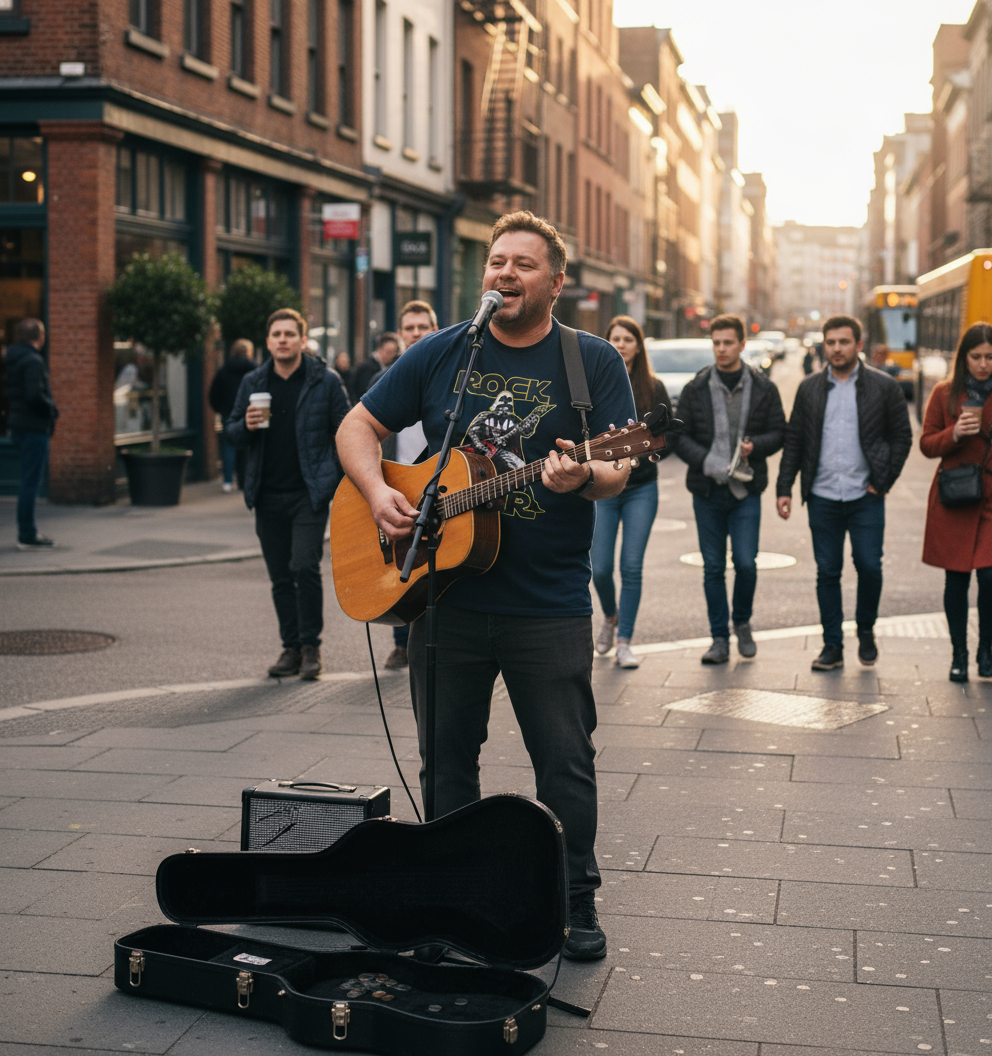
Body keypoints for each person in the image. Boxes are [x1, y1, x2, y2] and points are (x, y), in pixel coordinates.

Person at [335, 210, 636, 961]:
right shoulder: (446, 351)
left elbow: (622, 464)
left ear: (556, 283)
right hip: (445, 600)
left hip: (548, 604)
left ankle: (575, 898)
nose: (504, 273)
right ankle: (456, 893)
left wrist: (584, 474)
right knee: (445, 760)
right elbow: (355, 428)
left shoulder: (590, 361)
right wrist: (378, 495)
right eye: (497, 262)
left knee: (563, 762)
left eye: (522, 264)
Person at [777, 314, 912, 670]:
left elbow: (902, 437)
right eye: (831, 342)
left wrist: (883, 481)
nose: (836, 348)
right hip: (822, 495)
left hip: (866, 495)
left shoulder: (884, 387)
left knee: (869, 566)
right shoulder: (809, 388)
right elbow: (795, 439)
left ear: (858, 345)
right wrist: (784, 487)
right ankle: (832, 646)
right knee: (828, 572)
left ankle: (865, 630)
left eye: (844, 342)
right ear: (824, 345)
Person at [226, 309, 350, 681]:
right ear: (268, 342)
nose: (282, 339)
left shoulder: (324, 381)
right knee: (280, 575)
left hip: (308, 494)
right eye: (276, 334)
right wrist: (244, 427)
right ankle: (290, 648)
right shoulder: (253, 381)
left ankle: (311, 647)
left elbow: (347, 430)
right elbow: (231, 432)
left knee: (303, 566)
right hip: (266, 494)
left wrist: (339, 483)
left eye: (289, 334)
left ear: (301, 339)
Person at [672, 314, 786, 664]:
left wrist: (757, 446)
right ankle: (719, 638)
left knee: (746, 564)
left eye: (728, 343)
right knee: (712, 568)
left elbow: (780, 431)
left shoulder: (763, 387)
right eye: (716, 343)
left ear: (741, 345)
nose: (721, 349)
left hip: (746, 490)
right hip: (706, 491)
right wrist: (707, 460)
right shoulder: (697, 387)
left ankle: (743, 621)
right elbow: (679, 435)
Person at [592, 315, 671, 668]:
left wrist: (648, 450)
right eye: (615, 338)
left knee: (632, 566)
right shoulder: (595, 385)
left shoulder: (653, 388)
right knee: (601, 568)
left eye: (628, 338)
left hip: (641, 489)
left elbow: (669, 439)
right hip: (604, 490)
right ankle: (610, 617)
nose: (621, 344)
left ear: (638, 345)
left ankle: (625, 641)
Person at [920, 323, 992, 682]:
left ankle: (987, 650)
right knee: (956, 581)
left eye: (989, 357)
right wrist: (955, 434)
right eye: (976, 357)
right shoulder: (946, 393)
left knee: (991, 578)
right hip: (957, 496)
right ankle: (959, 654)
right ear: (964, 358)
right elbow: (927, 444)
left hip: (991, 501)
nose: (983, 364)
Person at [378, 300, 440, 672]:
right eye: (409, 327)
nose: (416, 333)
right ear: (400, 334)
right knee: (398, 564)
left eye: (423, 326)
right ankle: (401, 643)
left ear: (436, 329)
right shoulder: (383, 381)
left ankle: (426, 638)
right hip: (397, 485)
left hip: (436, 485)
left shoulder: (452, 377)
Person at [6, 318, 58, 549]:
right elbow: (34, 396)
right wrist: (52, 409)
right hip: (33, 428)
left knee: (27, 481)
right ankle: (27, 534)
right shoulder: (33, 361)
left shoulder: (13, 358)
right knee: (30, 483)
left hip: (18, 426)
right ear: (40, 337)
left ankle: (27, 532)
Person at [208, 338, 256, 492]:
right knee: (247, 447)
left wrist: (220, 409)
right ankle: (244, 481)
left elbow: (213, 394)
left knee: (229, 447)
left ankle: (227, 481)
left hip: (229, 413)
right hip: (250, 411)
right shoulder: (255, 369)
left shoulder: (224, 370)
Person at [350, 331, 401, 400]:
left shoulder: (389, 365)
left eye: (394, 352)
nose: (392, 355)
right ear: (379, 350)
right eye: (389, 352)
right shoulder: (367, 368)